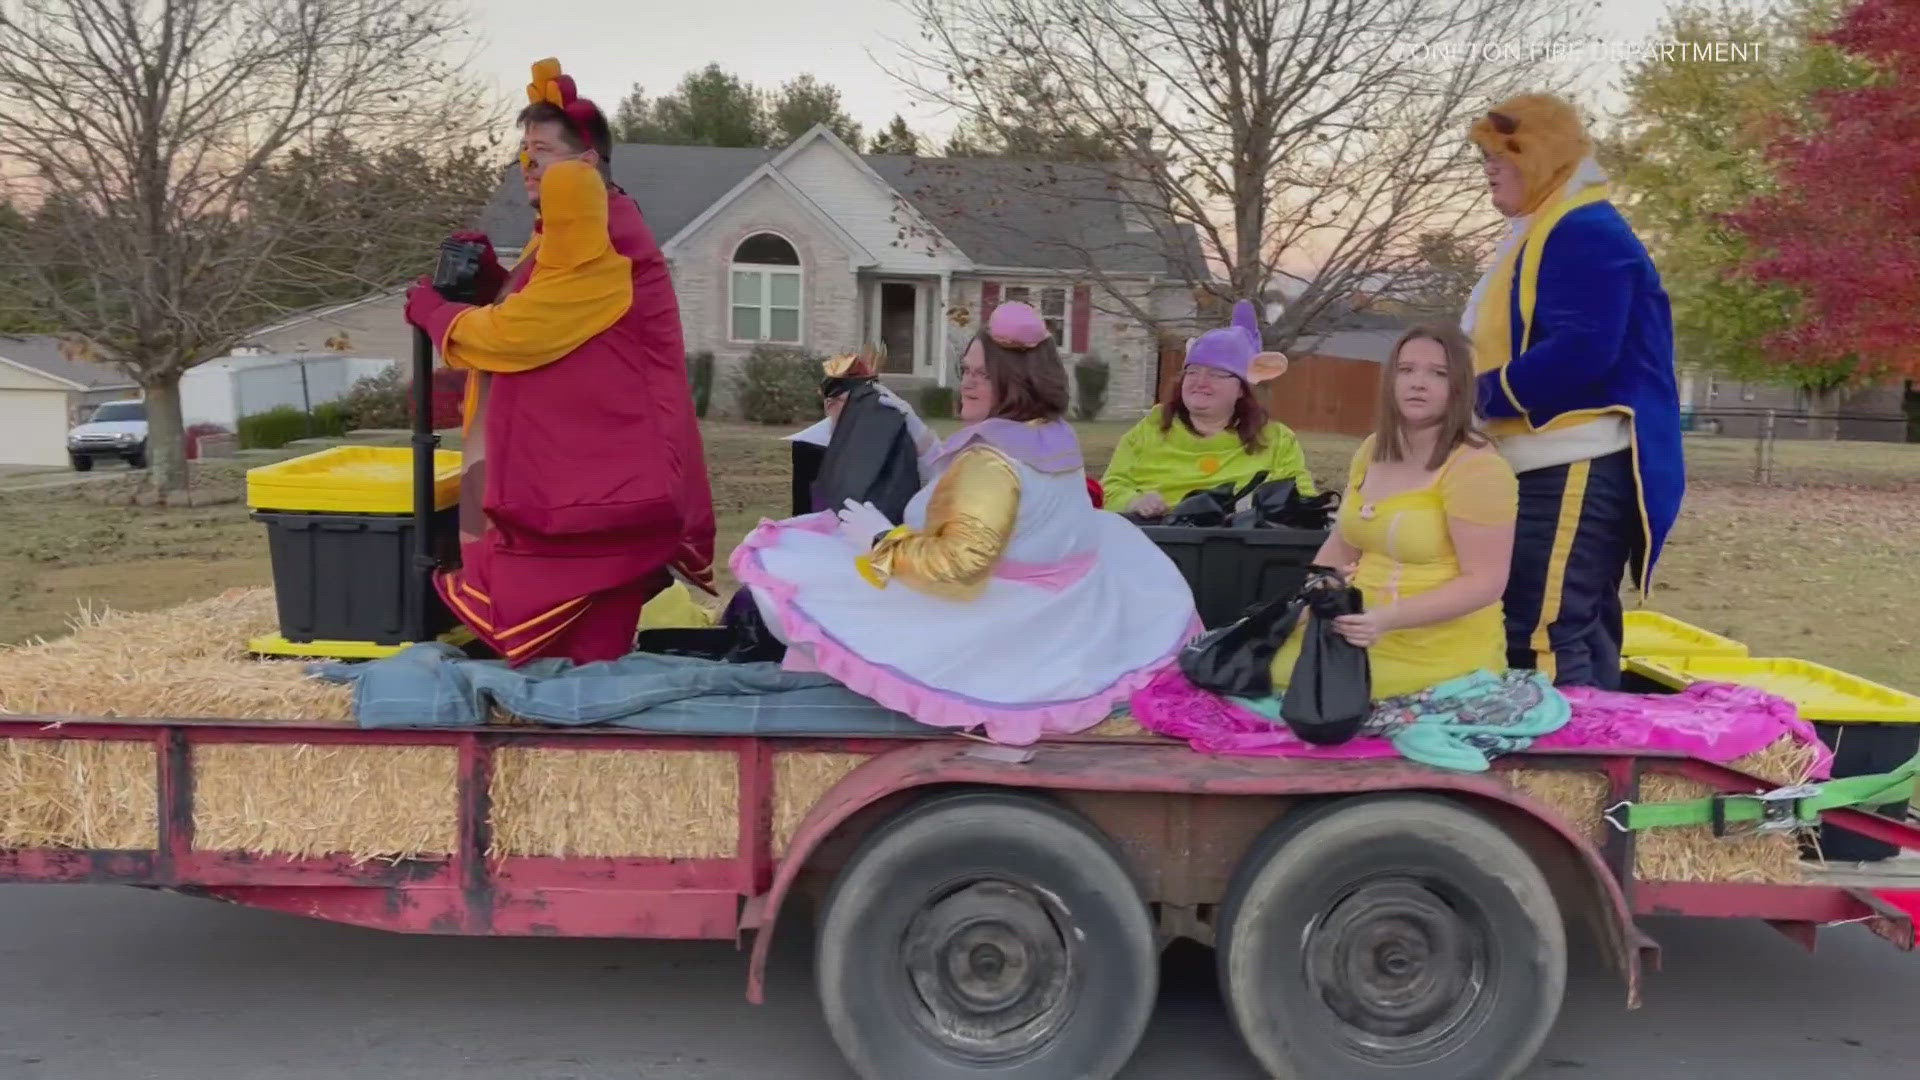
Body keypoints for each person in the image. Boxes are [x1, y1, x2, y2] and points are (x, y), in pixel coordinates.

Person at [730, 302, 1202, 745]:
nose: (969, 384)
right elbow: (971, 496)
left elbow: (959, 562)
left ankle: (818, 711)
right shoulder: (1045, 433)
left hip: (997, 613)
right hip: (1066, 603)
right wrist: (919, 436)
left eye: (985, 375)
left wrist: (880, 539)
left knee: (796, 567)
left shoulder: (992, 460)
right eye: (967, 372)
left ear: (1017, 382)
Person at [403, 57, 716, 667]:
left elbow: (527, 332)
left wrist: (436, 316)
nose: (528, 164)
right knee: (572, 641)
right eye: (523, 150)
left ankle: (585, 723)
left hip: (599, 474)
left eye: (541, 150)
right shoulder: (568, 229)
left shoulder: (605, 231)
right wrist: (492, 279)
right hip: (579, 465)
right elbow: (551, 313)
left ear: (586, 163)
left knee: (577, 634)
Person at [1464, 93, 1685, 689]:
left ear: (1537, 155)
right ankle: (1596, 777)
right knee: (1575, 629)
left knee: (1540, 633)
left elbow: (1584, 351)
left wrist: (1472, 399)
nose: (1486, 169)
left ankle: (1552, 780)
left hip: (1575, 460)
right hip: (1553, 459)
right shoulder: (1554, 225)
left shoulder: (1585, 229)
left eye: (1497, 156)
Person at [1266, 325, 1522, 703]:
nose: (1419, 383)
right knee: (1256, 663)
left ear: (1461, 387)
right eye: (1407, 370)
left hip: (1437, 644)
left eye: (1439, 373)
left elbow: (1485, 583)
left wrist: (1387, 619)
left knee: (1317, 692)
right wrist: (1308, 601)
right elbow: (1341, 547)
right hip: (1360, 625)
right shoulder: (1372, 450)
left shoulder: (1479, 470)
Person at [1101, 300, 1316, 518]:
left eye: (1216, 374)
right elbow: (1109, 489)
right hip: (1158, 542)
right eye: (1193, 371)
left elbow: (1303, 499)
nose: (1200, 382)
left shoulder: (1277, 440)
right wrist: (1134, 501)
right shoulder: (1149, 431)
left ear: (1242, 389)